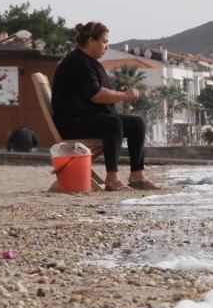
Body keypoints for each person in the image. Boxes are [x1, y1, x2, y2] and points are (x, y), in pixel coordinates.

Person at [51, 21, 158, 191]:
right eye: (104, 42)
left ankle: (137, 175)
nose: (107, 47)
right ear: (91, 40)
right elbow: (96, 95)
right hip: (73, 123)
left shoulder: (89, 62)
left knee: (136, 124)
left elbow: (98, 92)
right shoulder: (78, 63)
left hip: (87, 119)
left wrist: (118, 92)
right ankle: (111, 178)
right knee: (113, 123)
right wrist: (124, 95)